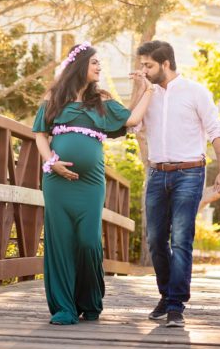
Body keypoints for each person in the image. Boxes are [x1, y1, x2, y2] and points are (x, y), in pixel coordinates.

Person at [33, 42, 154, 325]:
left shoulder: (101, 101)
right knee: (61, 241)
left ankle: (90, 301)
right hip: (56, 181)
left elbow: (132, 118)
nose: (99, 67)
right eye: (94, 63)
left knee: (88, 241)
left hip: (90, 183)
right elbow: (40, 134)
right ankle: (64, 307)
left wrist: (148, 89)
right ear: (79, 66)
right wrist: (52, 162)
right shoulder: (54, 99)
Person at [131, 40, 220, 328]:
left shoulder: (195, 92)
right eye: (142, 66)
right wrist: (141, 91)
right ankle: (167, 294)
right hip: (157, 173)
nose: (144, 71)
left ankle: (176, 305)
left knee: (181, 239)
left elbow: (216, 132)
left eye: (148, 66)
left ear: (165, 64)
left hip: (189, 173)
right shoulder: (148, 94)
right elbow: (131, 124)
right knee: (154, 240)